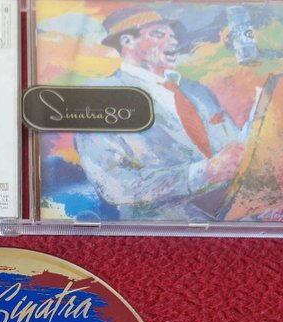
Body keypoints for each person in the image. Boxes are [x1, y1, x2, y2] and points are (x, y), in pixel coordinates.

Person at [74, 8, 246, 220]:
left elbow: (236, 143)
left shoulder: (197, 91)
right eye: (158, 34)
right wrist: (203, 173)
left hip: (237, 217)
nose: (173, 42)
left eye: (173, 36)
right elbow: (115, 185)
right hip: (164, 227)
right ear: (127, 42)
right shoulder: (99, 97)